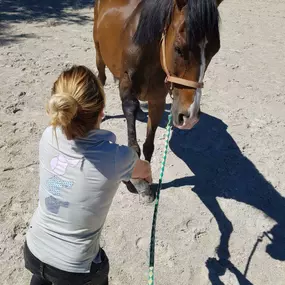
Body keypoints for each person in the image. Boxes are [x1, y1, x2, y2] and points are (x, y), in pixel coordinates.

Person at [24, 65, 152, 285]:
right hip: (76, 267)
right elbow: (145, 170)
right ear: (102, 111)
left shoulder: (48, 135)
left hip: (34, 248)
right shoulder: (116, 157)